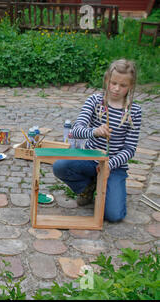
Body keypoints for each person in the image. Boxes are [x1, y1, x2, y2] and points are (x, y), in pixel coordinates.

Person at [53, 59, 142, 222]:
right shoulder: (95, 101)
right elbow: (76, 131)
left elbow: (130, 149)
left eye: (123, 85)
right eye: (113, 83)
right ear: (107, 80)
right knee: (60, 166)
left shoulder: (134, 111)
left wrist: (110, 165)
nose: (116, 89)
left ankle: (109, 188)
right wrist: (94, 131)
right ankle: (87, 187)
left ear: (131, 86)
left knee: (113, 216)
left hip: (114, 166)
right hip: (90, 159)